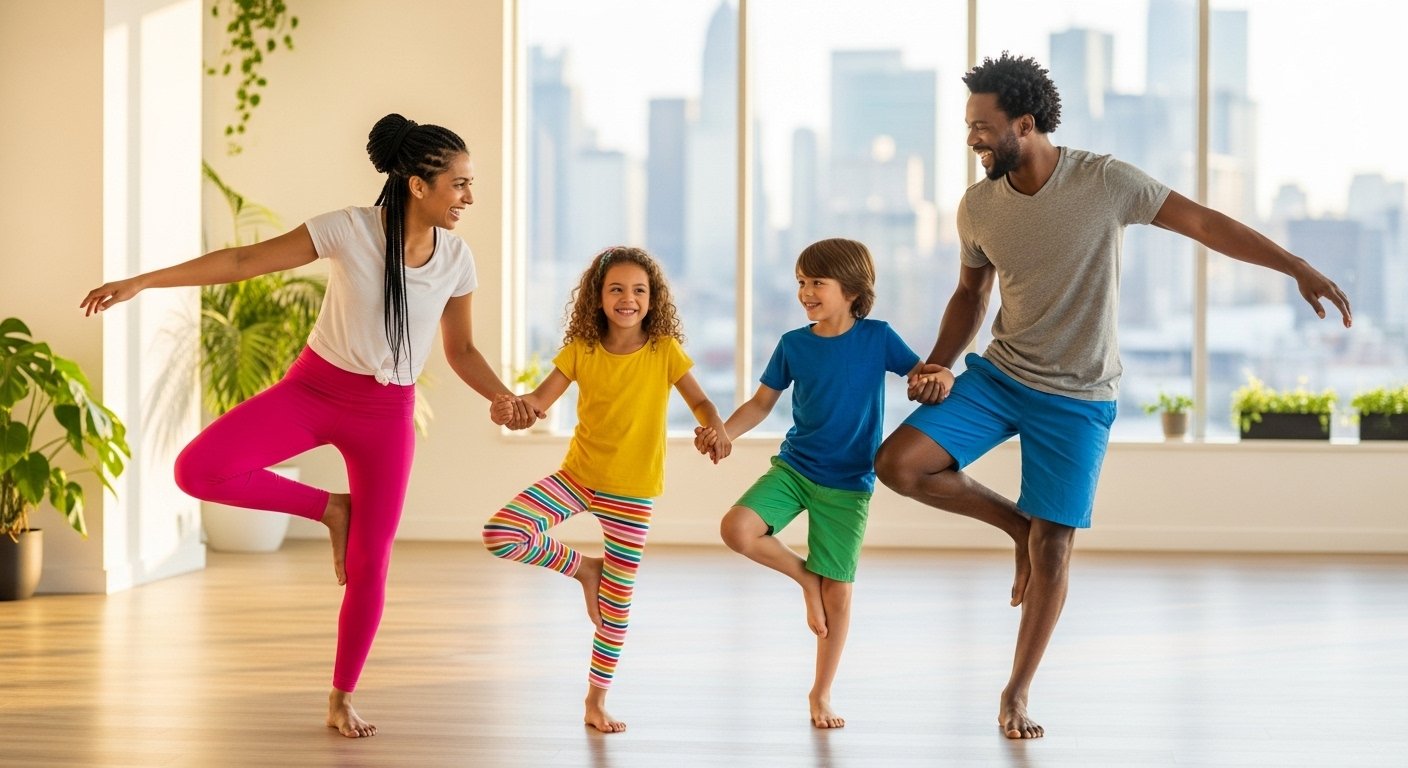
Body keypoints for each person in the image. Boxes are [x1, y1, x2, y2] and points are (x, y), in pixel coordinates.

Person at [875, 53, 1352, 741]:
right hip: (1003, 374)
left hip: (1078, 396)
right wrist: (939, 363)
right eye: (969, 126)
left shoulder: (1105, 182)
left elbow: (1207, 224)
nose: (973, 139)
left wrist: (1296, 266)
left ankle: (1015, 694)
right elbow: (970, 293)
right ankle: (1017, 526)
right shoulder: (978, 206)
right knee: (900, 464)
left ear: (1026, 124)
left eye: (983, 126)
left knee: (1057, 550)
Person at [79, 114, 533, 738]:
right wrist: (143, 282)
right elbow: (243, 261)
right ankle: (330, 508)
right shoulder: (347, 228)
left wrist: (502, 397)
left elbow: (461, 352)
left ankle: (341, 698)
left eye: (470, 185)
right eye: (459, 184)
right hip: (314, 390)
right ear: (418, 185)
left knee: (371, 565)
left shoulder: (456, 259)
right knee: (198, 469)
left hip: (387, 415)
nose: (469, 198)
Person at [695, 238, 953, 729]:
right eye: (801, 282)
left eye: (817, 282)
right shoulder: (794, 344)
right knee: (737, 529)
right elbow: (759, 404)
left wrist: (940, 380)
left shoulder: (878, 337)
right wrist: (723, 432)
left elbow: (920, 376)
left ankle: (821, 693)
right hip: (795, 469)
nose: (806, 292)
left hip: (849, 484)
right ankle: (804, 577)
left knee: (840, 594)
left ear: (853, 291)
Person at [481, 246, 729, 733]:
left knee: (615, 611)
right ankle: (585, 569)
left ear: (653, 299)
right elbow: (537, 401)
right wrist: (514, 409)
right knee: (501, 533)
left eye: (639, 290)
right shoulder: (580, 350)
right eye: (616, 288)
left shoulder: (664, 352)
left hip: (633, 493)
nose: (628, 298)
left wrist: (714, 427)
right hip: (578, 478)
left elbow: (700, 400)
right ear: (597, 298)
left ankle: (596, 702)